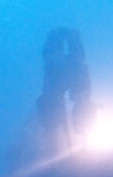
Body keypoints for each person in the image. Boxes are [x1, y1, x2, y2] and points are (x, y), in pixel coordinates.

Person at [7, 27, 95, 169]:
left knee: (66, 107)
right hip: (59, 95)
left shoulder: (65, 71)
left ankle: (62, 152)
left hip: (59, 95)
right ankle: (63, 153)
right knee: (68, 105)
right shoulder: (70, 70)